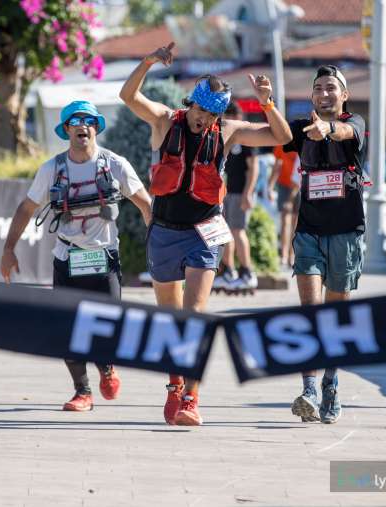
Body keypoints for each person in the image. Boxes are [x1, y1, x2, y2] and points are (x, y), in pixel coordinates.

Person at [119, 42, 292, 426]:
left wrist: (267, 102)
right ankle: (174, 385)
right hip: (164, 231)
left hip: (203, 233)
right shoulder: (165, 121)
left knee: (194, 316)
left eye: (213, 114)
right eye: (202, 111)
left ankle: (192, 399)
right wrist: (147, 61)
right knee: (171, 320)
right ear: (190, 104)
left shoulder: (227, 131)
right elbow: (127, 95)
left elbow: (279, 137)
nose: (205, 120)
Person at [0, 100, 152, 412]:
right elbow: (27, 208)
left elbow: (146, 204)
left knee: (109, 326)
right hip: (67, 259)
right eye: (74, 120)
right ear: (67, 129)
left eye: (88, 120)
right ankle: (82, 391)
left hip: (104, 260)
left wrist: (160, 246)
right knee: (67, 328)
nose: (82, 125)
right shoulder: (53, 169)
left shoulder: (115, 164)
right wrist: (8, 249)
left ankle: (107, 368)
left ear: (95, 127)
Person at [283, 65, 368, 425]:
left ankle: (331, 383)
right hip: (308, 232)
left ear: (343, 94)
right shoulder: (301, 125)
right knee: (309, 314)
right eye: (318, 88)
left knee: (334, 318)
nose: (325, 93)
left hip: (346, 232)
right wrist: (267, 103)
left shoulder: (355, 123)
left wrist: (329, 129)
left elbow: (349, 131)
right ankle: (309, 389)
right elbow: (270, 132)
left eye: (331, 88)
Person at [214, 101, 259, 295]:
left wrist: (248, 193)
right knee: (226, 232)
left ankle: (247, 272)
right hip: (229, 192)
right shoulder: (229, 139)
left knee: (238, 231)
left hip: (241, 192)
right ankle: (229, 270)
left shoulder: (246, 138)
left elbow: (253, 168)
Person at [268, 144, 300, 267]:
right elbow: (277, 166)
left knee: (296, 222)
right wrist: (270, 186)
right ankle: (284, 255)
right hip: (284, 185)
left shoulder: (300, 143)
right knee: (285, 220)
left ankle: (292, 255)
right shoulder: (282, 143)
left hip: (299, 184)